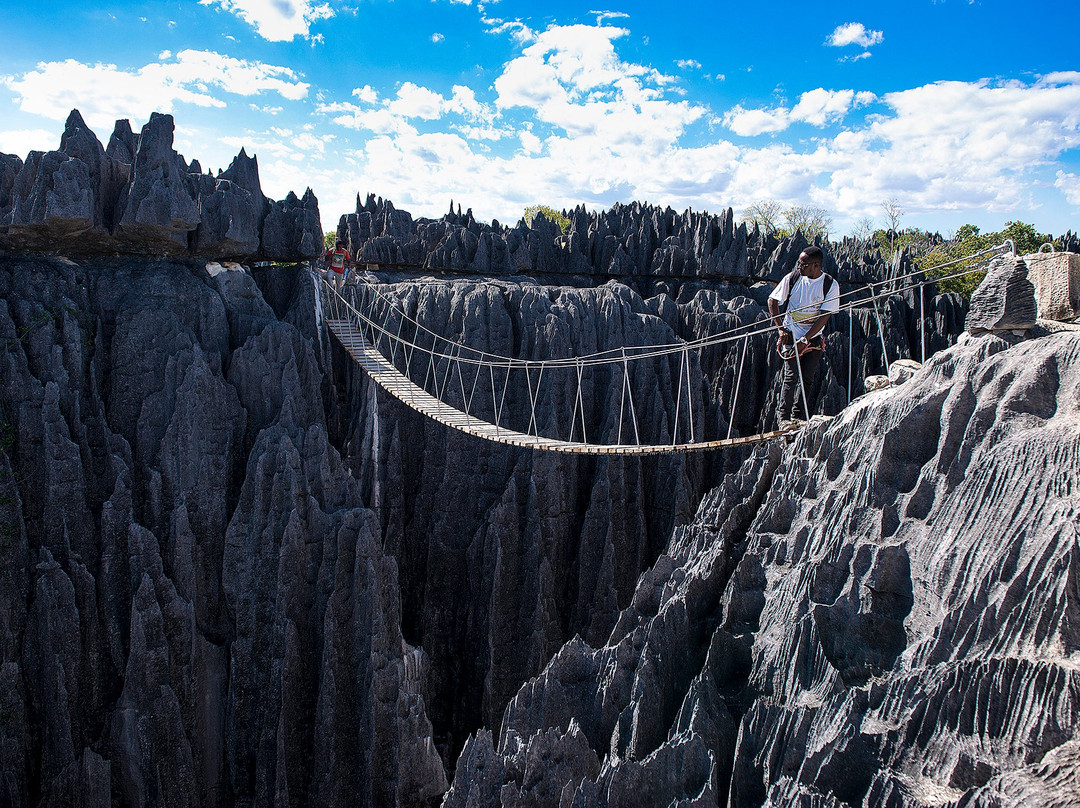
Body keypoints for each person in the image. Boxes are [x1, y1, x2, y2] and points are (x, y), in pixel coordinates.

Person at [767, 246, 839, 430]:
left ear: (815, 265)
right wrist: (781, 329)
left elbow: (824, 316)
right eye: (799, 263)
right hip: (790, 334)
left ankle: (798, 417)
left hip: (813, 337)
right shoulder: (793, 278)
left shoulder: (830, 285)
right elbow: (772, 301)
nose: (799, 266)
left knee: (807, 377)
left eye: (803, 264)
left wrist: (805, 340)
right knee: (790, 376)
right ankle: (784, 419)